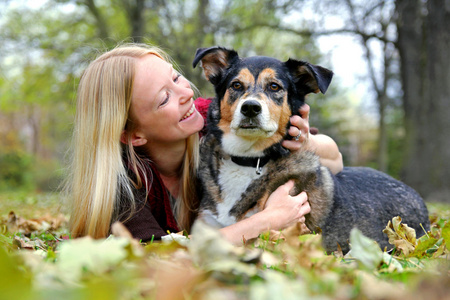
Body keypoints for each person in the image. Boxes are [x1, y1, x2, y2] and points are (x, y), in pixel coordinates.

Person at [67, 44, 343, 245]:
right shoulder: (122, 183)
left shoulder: (210, 117)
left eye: (176, 78)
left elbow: (335, 160)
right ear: (133, 134)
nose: (186, 93)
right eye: (164, 98)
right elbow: (152, 260)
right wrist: (266, 222)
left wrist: (305, 141)